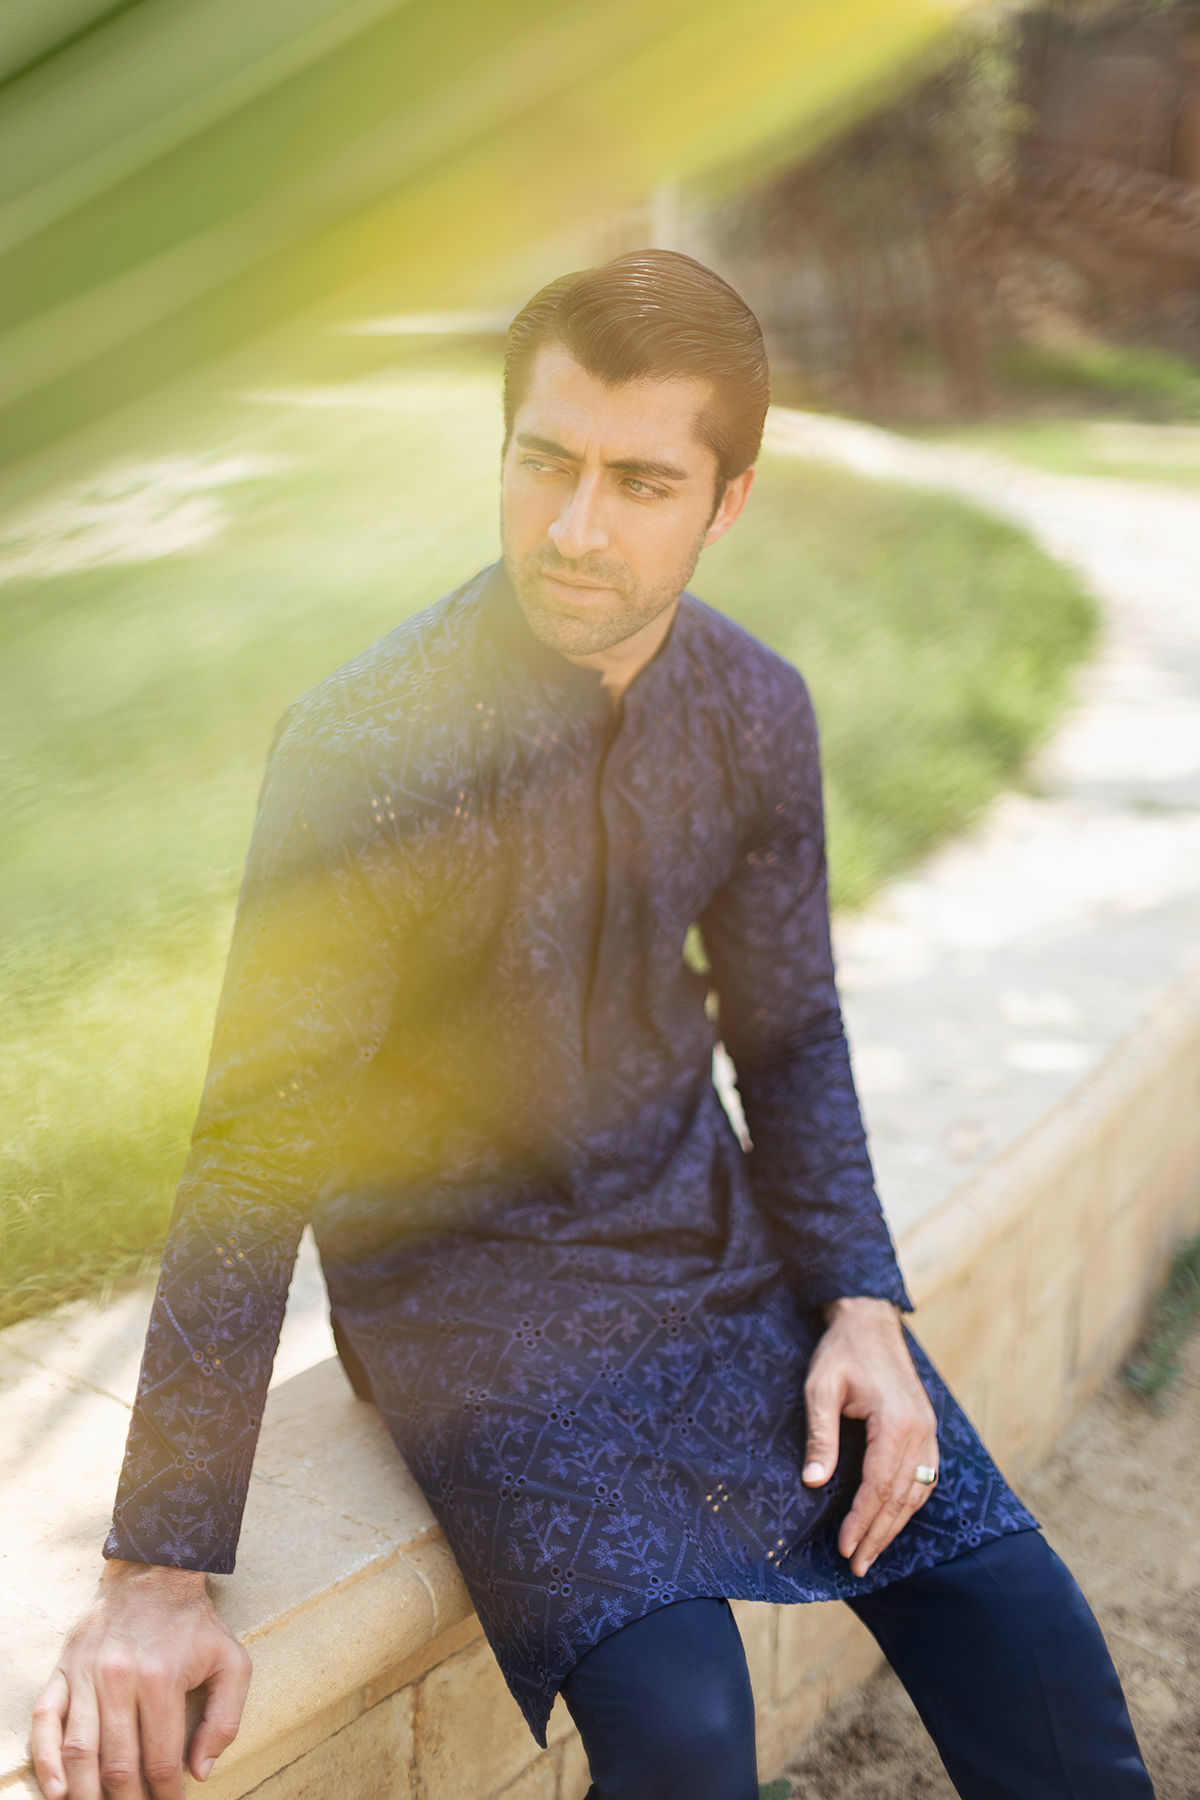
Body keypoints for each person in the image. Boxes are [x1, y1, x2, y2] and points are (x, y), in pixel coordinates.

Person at [32, 250, 1156, 1800]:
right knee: (685, 1731)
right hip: (467, 1297)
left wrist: (860, 1304)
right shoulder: (364, 745)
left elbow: (790, 1035)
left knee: (1027, 1637)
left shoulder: (756, 707)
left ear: (728, 502)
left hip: (716, 1247)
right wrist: (158, 1564)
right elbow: (253, 1150)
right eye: (544, 462)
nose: (573, 527)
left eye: (640, 483)